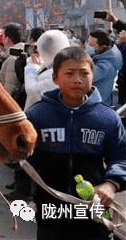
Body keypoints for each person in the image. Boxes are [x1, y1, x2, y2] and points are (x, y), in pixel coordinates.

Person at [26, 46, 126, 240]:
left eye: (84, 73)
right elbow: (21, 156)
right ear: (55, 78)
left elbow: (122, 156)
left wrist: (111, 184)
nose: (78, 80)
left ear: (92, 75)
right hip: (51, 211)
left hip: (94, 210)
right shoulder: (37, 115)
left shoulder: (107, 118)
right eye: (69, 74)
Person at [87, 28, 123, 106]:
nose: (88, 46)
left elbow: (86, 77)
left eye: (91, 45)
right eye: (88, 42)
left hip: (97, 104)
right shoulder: (101, 54)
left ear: (102, 46)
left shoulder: (106, 64)